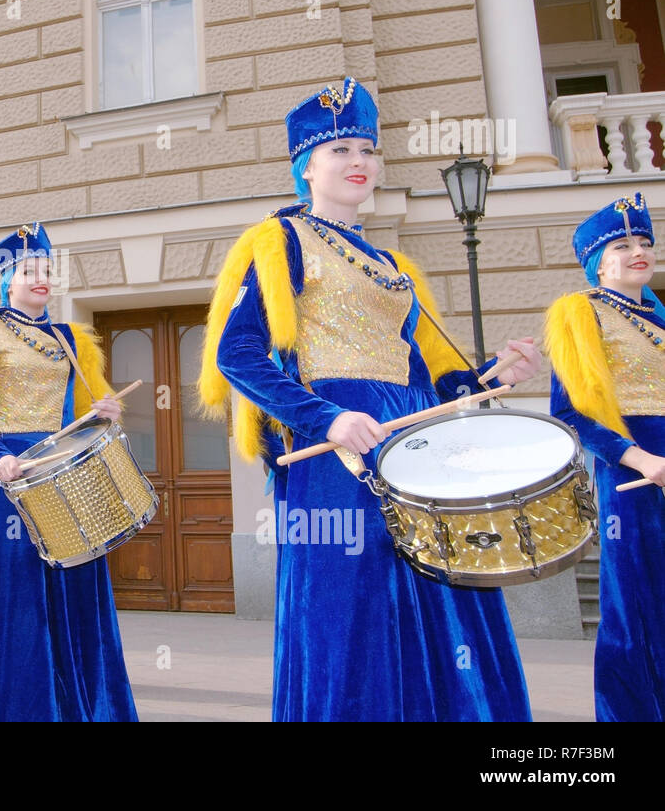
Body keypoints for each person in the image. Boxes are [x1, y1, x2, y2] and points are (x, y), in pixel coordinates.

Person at [198, 77, 541, 721]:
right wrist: (326, 419)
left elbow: (431, 377)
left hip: (416, 443)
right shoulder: (282, 242)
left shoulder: (394, 264)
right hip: (339, 452)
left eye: (368, 149)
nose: (360, 163)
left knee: (444, 589)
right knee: (350, 605)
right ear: (306, 166)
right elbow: (235, 355)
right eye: (341, 152)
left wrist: (494, 374)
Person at [0, 223, 137, 721]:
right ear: (6, 278)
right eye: (29, 270)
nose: (41, 278)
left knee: (70, 583)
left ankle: (77, 704)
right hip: (9, 472)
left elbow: (81, 411)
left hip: (60, 470)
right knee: (15, 588)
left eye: (47, 270)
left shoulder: (70, 337)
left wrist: (104, 409)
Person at [545, 192, 665, 721]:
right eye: (622, 244)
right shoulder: (581, 313)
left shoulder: (659, 318)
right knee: (638, 604)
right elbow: (570, 412)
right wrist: (640, 460)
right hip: (634, 474)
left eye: (644, 240)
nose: (638, 250)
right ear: (597, 259)